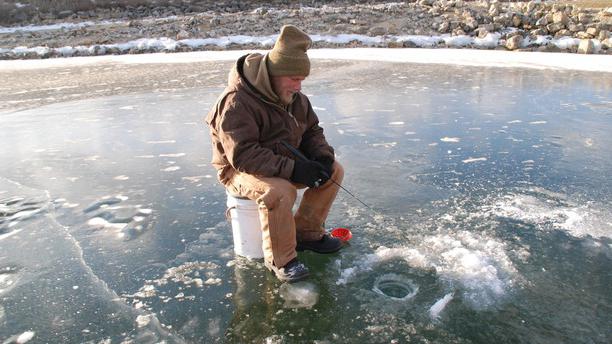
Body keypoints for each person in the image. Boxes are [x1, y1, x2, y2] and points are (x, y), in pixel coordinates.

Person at [205, 25, 344, 282]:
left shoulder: (295, 98)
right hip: (237, 170)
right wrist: (295, 169)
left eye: (302, 79)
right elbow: (243, 155)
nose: (299, 85)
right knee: (280, 190)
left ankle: (307, 234)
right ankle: (282, 260)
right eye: (294, 78)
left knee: (334, 170)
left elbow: (312, 130)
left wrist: (321, 156)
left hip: (279, 161)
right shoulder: (237, 101)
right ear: (275, 73)